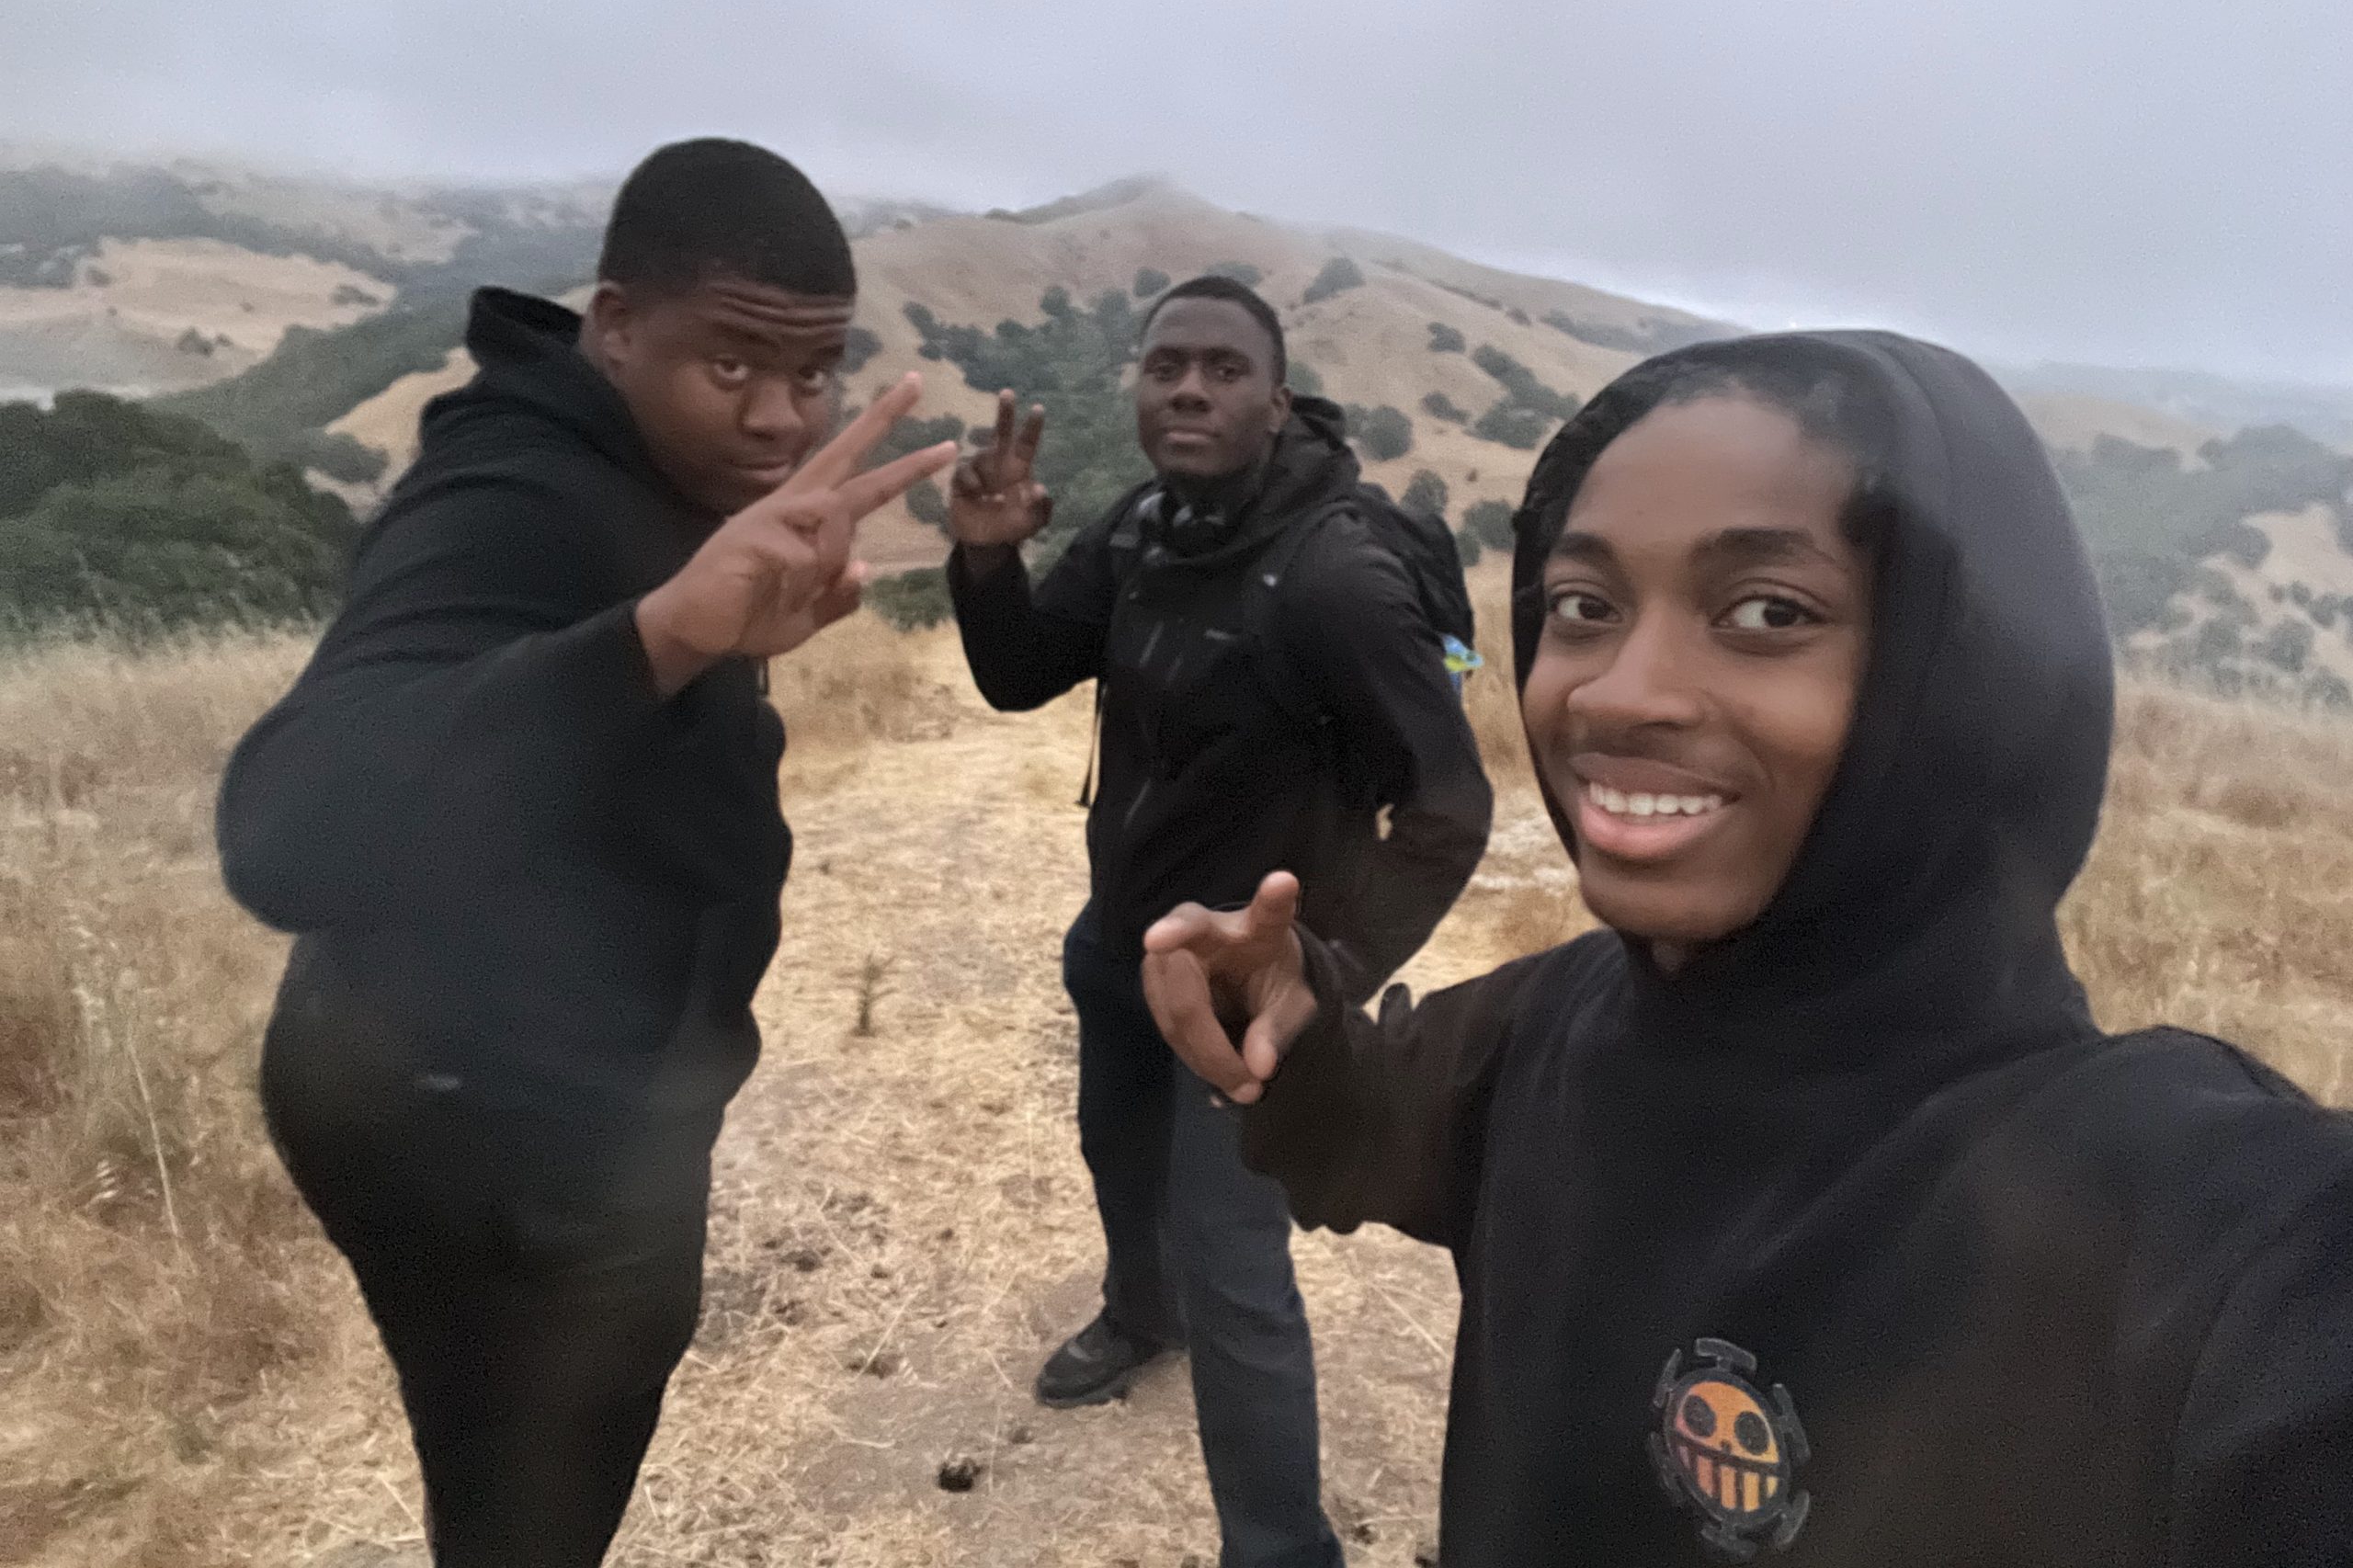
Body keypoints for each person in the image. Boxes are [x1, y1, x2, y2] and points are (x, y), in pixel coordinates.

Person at [1142, 330, 2353, 1567]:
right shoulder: (1558, 1024)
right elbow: (1368, 1124)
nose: (1619, 691)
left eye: (1768, 612)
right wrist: (1290, 1019)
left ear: (1959, 673)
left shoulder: (2178, 1224)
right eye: (1583, 607)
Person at [216, 139, 958, 1568]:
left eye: (810, 376)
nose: (779, 418)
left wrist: (693, 647)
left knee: (534, 1490)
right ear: (615, 325)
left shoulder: (655, 469)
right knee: (526, 1510)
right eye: (731, 365)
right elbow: (286, 832)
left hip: (566, 1107)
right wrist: (664, 635)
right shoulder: (514, 492)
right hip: (475, 1131)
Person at [946, 275, 1494, 1567]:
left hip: (1247, 999)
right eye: (1165, 366)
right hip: (1120, 943)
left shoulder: (1336, 581)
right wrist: (984, 557)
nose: (1189, 388)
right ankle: (1142, 1316)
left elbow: (1450, 810)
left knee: (1240, 1276)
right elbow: (1019, 675)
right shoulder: (1146, 529)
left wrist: (1327, 971)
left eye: (1222, 369)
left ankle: (1282, 1549)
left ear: (1276, 398)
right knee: (1113, 1158)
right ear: (1136, 387)